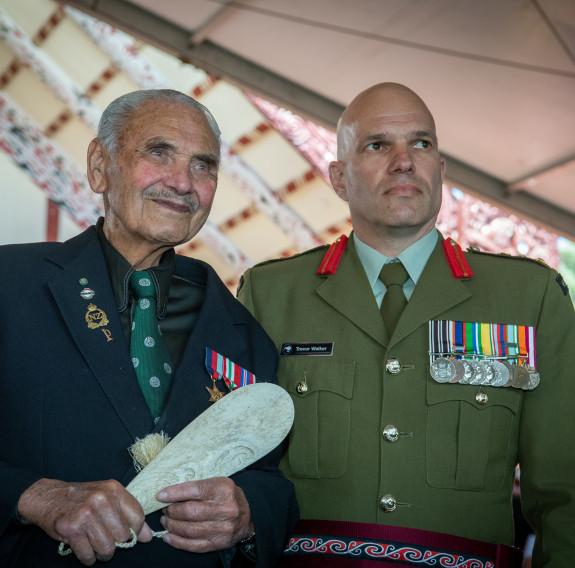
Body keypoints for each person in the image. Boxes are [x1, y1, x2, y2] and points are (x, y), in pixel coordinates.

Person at [237, 82, 575, 567]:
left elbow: (566, 492)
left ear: (440, 170)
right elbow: (240, 472)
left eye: (421, 143)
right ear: (338, 178)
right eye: (377, 145)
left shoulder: (529, 298)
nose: (404, 161)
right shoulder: (270, 295)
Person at [0, 89, 298, 567]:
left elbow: (273, 480)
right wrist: (35, 497)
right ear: (100, 165)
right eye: (159, 153)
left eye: (203, 165)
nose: (183, 182)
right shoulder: (11, 286)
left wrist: (249, 513)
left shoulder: (241, 329)